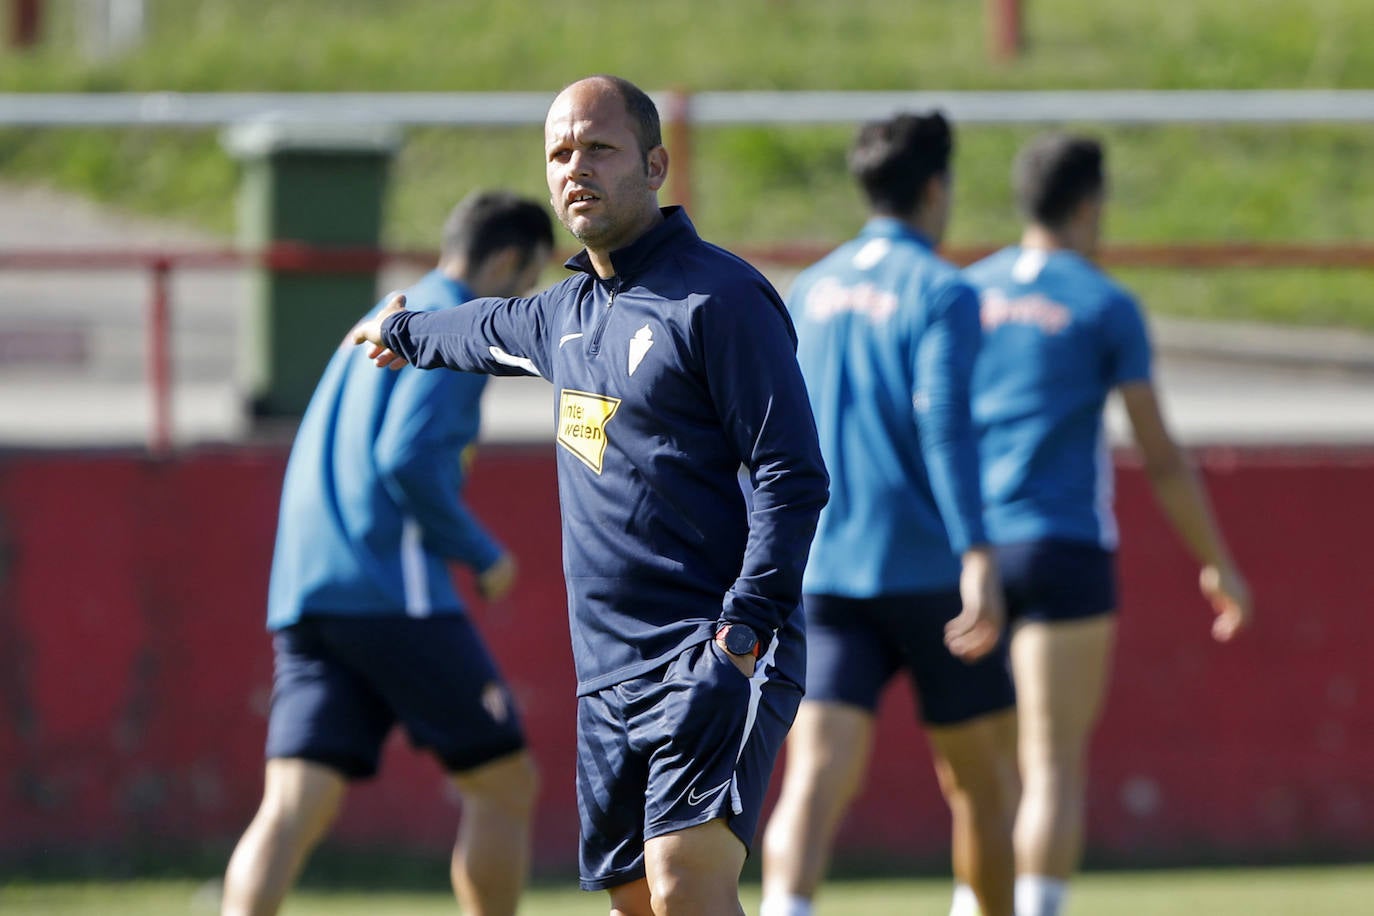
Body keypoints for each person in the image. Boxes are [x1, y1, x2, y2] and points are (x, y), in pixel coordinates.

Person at [350, 75, 829, 916]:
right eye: (561, 153)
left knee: (685, 878)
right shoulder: (563, 315)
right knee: (636, 899)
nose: (577, 167)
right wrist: (401, 329)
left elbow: (793, 474)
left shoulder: (721, 298)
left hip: (710, 646)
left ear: (655, 164)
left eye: (599, 148)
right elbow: (479, 329)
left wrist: (745, 629)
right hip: (606, 674)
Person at [220, 190, 556, 916]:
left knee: (294, 802)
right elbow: (405, 459)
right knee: (506, 783)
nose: (525, 300)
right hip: (389, 589)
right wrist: (479, 550)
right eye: (528, 281)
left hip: (309, 589)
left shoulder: (380, 314)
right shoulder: (452, 325)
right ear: (506, 260)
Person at [963, 133, 1254, 916]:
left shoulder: (964, 291)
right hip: (1062, 549)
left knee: (981, 773)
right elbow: (1160, 456)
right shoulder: (1102, 302)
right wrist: (1217, 562)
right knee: (1052, 764)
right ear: (1090, 206)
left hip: (969, 556)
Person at [757, 112, 1019, 916]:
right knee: (983, 783)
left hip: (828, 570)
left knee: (815, 776)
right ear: (937, 188)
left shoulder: (813, 287)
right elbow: (943, 420)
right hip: (930, 571)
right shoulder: (943, 289)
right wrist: (978, 551)